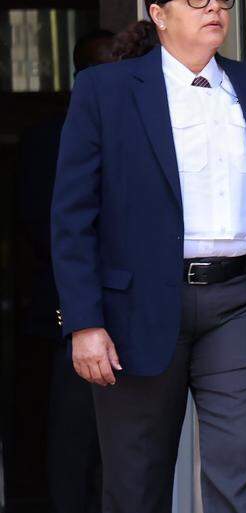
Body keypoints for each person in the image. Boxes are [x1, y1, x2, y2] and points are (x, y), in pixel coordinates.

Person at [51, 0, 246, 513]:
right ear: (158, 13)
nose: (213, 7)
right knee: (137, 482)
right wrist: (84, 322)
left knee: (242, 473)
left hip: (242, 300)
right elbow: (72, 216)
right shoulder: (106, 89)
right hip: (137, 306)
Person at [16, 29, 116, 513]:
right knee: (74, 440)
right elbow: (44, 227)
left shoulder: (143, 127)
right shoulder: (48, 138)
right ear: (82, 77)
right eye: (103, 69)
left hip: (139, 312)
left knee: (125, 447)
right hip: (72, 310)